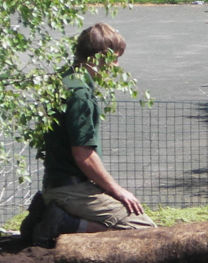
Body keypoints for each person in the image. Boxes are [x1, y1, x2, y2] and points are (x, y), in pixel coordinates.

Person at [20, 23, 155, 247]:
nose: (116, 66)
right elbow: (83, 154)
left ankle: (48, 212)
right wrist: (117, 191)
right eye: (114, 59)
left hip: (54, 184)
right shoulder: (80, 94)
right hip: (71, 188)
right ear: (98, 58)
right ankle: (65, 222)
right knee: (143, 230)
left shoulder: (63, 80)